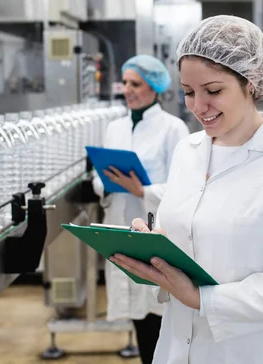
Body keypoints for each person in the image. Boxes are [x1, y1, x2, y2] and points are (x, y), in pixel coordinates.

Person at [110, 15, 263, 363]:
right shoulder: (189, 150)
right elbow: (195, 236)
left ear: (252, 82)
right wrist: (152, 245)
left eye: (213, 91)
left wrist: (202, 298)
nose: (199, 106)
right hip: (175, 347)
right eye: (188, 92)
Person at [92, 54, 190, 364]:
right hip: (120, 227)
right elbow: (98, 179)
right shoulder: (114, 128)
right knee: (136, 312)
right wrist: (106, 183)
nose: (128, 90)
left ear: (154, 87)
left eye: (136, 84)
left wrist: (142, 190)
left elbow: (184, 188)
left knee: (161, 315)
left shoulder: (173, 129)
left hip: (154, 231)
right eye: (126, 83)